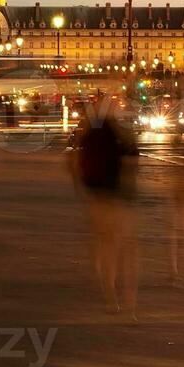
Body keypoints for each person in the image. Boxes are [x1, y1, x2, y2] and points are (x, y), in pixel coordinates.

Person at [72, 101, 139, 314]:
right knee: (127, 248)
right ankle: (129, 300)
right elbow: (132, 164)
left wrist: (81, 187)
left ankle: (109, 291)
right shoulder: (123, 134)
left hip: (97, 195)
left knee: (105, 244)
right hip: (120, 197)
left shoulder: (90, 135)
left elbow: (76, 164)